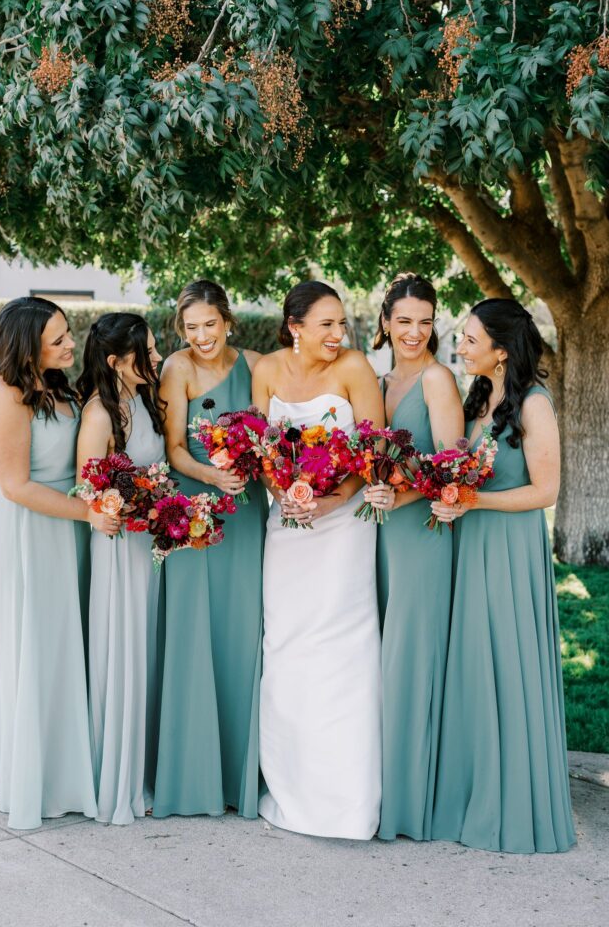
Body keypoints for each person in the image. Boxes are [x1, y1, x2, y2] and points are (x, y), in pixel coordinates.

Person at [0, 297, 116, 830]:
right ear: (26, 343)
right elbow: (16, 485)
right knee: (34, 643)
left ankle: (67, 758)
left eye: (68, 334)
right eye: (59, 339)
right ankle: (30, 769)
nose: (71, 345)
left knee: (66, 640)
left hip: (69, 521)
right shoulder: (1, 392)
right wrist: (88, 513)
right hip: (26, 529)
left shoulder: (58, 384)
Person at [431, 298, 576, 853]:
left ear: (500, 348)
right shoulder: (480, 396)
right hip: (472, 543)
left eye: (470, 339)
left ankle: (512, 803)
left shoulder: (534, 403)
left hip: (508, 548)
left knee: (506, 666)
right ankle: (472, 793)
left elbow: (546, 491)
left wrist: (474, 503)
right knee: (473, 665)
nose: (461, 346)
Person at [253, 281, 385, 840]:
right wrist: (284, 491)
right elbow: (258, 447)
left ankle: (347, 800)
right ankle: (290, 784)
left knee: (342, 647)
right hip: (287, 527)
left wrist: (333, 497)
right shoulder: (266, 371)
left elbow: (373, 448)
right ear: (294, 325)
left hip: (344, 527)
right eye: (326, 324)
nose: (339, 334)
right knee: (286, 642)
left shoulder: (355, 368)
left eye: (341, 324)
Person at [153, 280, 266, 819]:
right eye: (191, 327)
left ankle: (239, 775)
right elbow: (174, 447)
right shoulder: (175, 370)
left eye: (210, 325)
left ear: (228, 320)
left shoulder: (258, 365)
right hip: (196, 513)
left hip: (246, 516)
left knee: (241, 631)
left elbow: (272, 438)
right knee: (193, 632)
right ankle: (190, 773)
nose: (202, 336)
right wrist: (211, 475)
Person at [364, 272, 464, 841]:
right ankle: (383, 790)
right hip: (381, 534)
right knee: (383, 659)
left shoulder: (437, 379)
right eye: (404, 320)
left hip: (422, 534)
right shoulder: (379, 380)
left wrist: (399, 494)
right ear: (385, 322)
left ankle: (410, 803)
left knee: (410, 662)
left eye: (425, 321)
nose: (414, 331)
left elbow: (451, 467)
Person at [76, 313, 165, 825]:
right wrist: (138, 507)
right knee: (124, 651)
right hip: (120, 551)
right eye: (146, 353)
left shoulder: (141, 401)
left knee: (147, 650)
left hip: (146, 550)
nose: (155, 359)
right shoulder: (100, 415)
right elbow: (90, 491)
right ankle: (118, 776)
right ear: (116, 361)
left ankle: (146, 763)